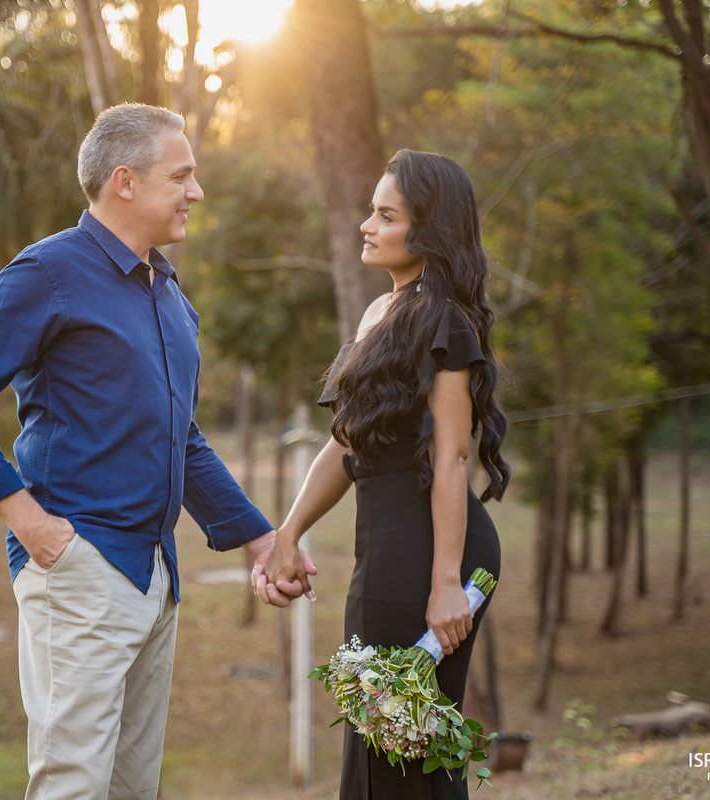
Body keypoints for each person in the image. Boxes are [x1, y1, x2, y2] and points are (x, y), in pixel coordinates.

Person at [0, 103, 309, 800]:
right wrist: (31, 525)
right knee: (73, 787)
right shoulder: (47, 273)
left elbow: (180, 439)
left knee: (132, 789)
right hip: (80, 567)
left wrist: (261, 540)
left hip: (156, 576)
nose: (197, 191)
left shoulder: (168, 294)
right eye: (182, 176)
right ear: (124, 182)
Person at [256, 149, 511, 799]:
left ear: (427, 230)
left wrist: (447, 583)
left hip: (431, 554)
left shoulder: (443, 321)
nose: (366, 225)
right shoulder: (378, 317)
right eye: (371, 210)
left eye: (385, 214)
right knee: (382, 745)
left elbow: (453, 455)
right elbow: (345, 446)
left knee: (410, 752)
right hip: (387, 554)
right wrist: (289, 533)